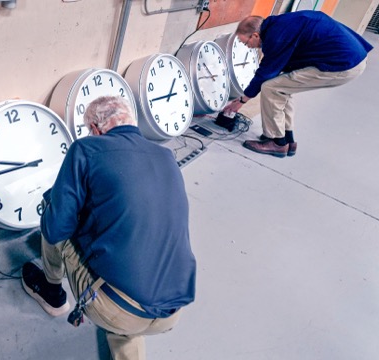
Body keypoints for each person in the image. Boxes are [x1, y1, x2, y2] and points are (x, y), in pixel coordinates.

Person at [21, 95, 197, 360]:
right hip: (174, 309)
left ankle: (51, 293)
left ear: (94, 129)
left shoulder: (85, 149)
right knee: (129, 315)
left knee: (52, 209)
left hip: (117, 308)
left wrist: (59, 201)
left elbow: (57, 229)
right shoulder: (166, 155)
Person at [222, 11, 373, 158]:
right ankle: (288, 139)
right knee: (282, 87)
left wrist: (242, 100)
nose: (248, 46)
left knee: (271, 88)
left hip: (343, 64)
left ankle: (277, 143)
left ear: (255, 35)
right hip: (353, 57)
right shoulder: (279, 25)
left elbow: (265, 72)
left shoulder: (277, 36)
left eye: (245, 42)